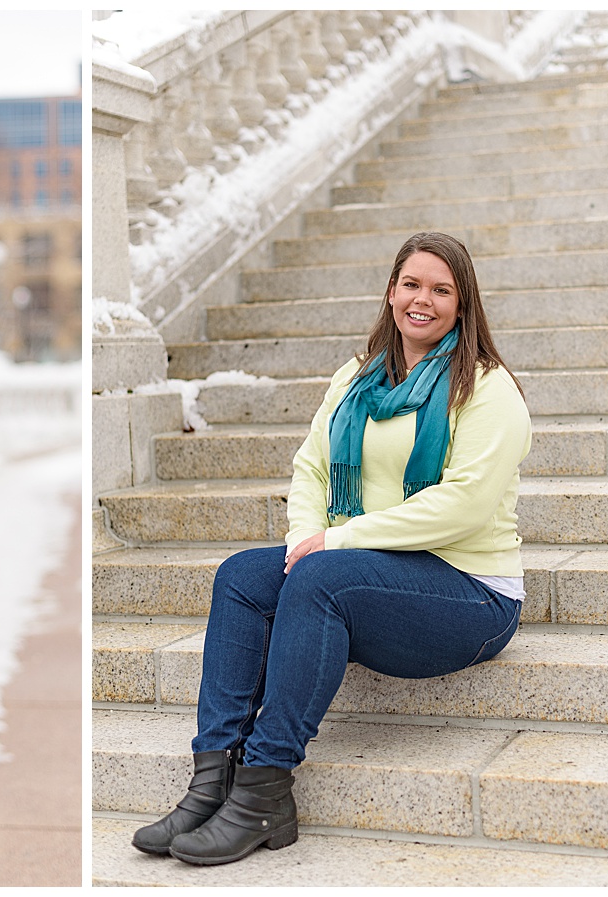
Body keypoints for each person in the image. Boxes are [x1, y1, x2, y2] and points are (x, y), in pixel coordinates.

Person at [131, 231, 530, 866]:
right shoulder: (357, 377)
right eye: (411, 284)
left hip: (471, 592)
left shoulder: (486, 388)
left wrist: (335, 542)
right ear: (391, 291)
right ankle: (214, 780)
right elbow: (313, 468)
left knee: (323, 580)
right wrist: (304, 539)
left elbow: (465, 506)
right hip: (369, 567)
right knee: (241, 576)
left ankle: (265, 790)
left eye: (441, 289)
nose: (421, 300)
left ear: (463, 302)